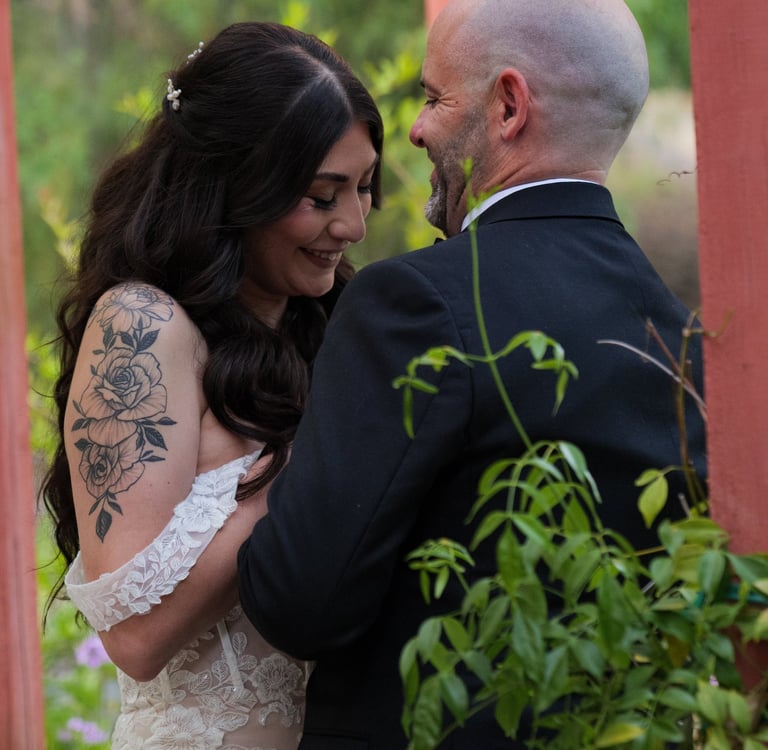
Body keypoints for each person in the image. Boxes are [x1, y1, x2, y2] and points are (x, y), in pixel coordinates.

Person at [237, 1, 707, 748]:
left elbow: (299, 602)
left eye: (434, 97)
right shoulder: (683, 338)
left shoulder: (415, 303)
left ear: (508, 106)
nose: (417, 129)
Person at [41, 21, 382, 750]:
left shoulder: (339, 327)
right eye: (322, 197)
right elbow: (135, 639)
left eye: (363, 188)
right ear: (236, 183)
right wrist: (305, 460)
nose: (353, 224)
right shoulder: (142, 326)